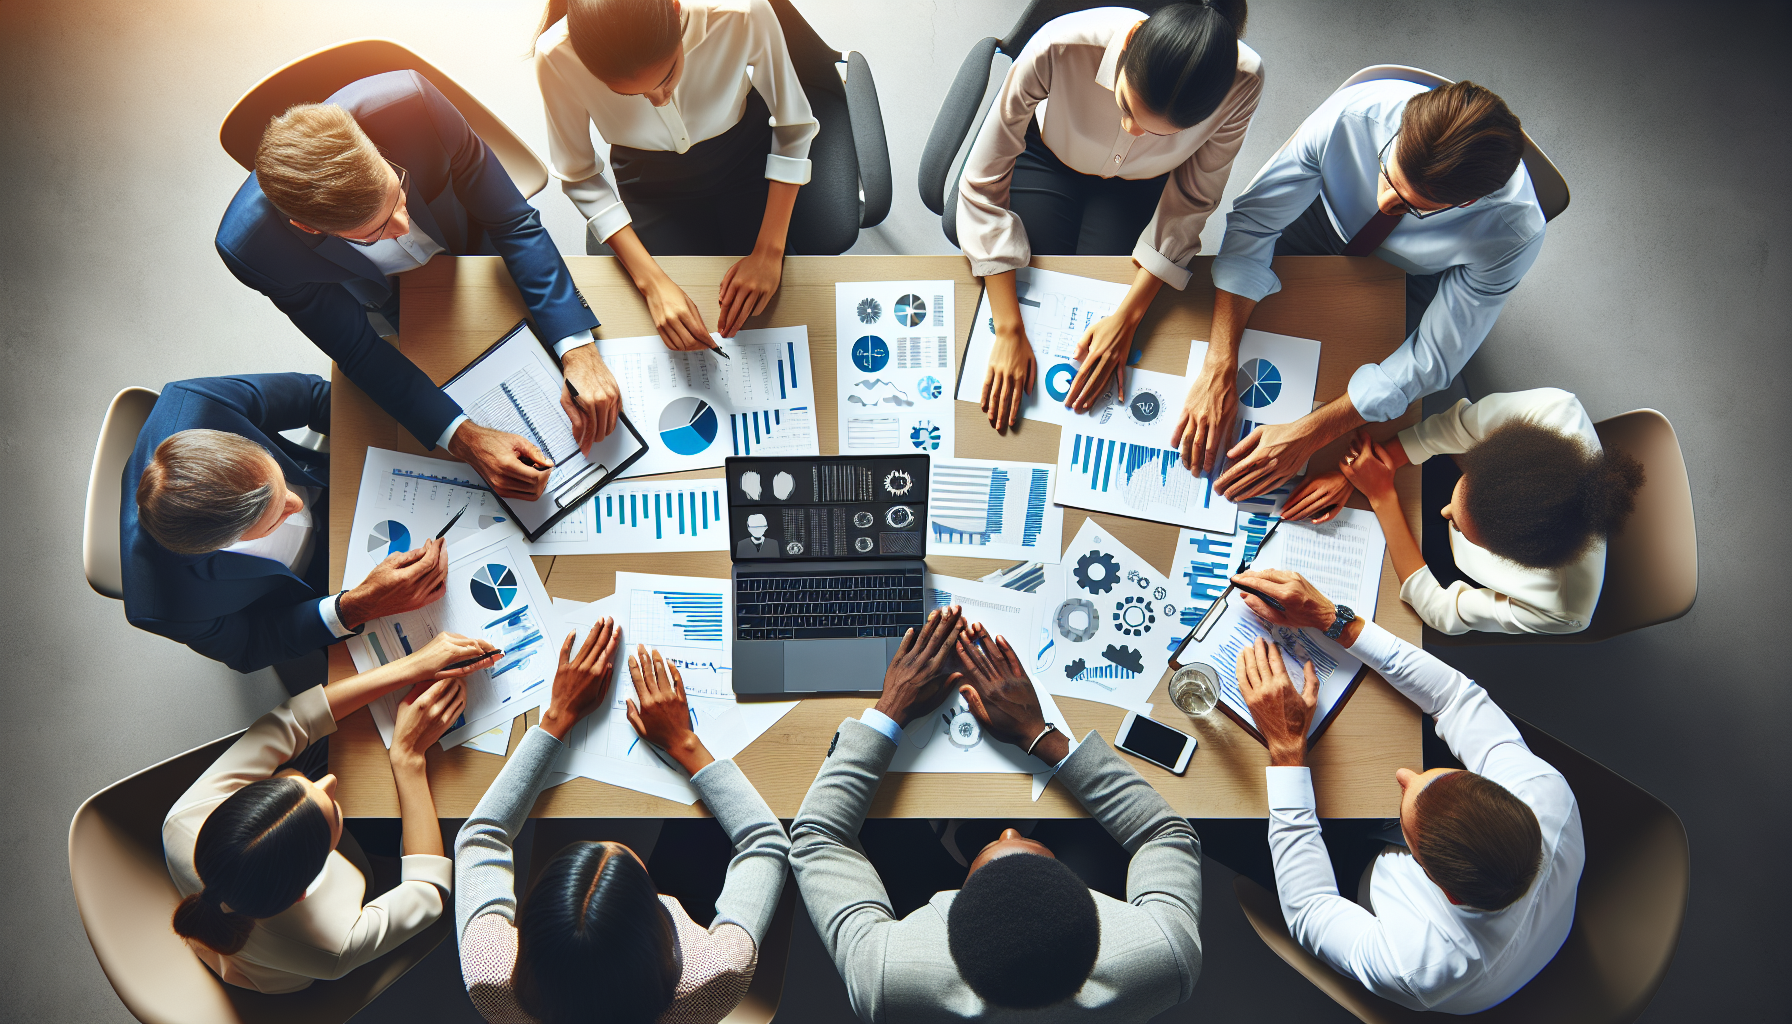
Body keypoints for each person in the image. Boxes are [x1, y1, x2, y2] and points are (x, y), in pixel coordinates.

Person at [217, 70, 622, 502]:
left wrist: (578, 347)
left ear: (372, 147)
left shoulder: (414, 104)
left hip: (474, 242)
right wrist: (464, 439)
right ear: (309, 228)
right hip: (392, 298)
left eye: (397, 193)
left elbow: (512, 222)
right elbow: (356, 349)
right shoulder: (253, 251)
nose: (403, 225)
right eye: (373, 232)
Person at [789, 607, 1204, 1021]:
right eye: (1038, 860)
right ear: (1089, 900)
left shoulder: (886, 976)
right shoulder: (1163, 954)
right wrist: (1040, 734)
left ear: (952, 906)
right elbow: (1165, 835)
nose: (1007, 831)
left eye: (989, 862)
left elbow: (816, 837)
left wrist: (891, 709)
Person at [1228, 567, 1582, 1014]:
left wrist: (1284, 750)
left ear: (1436, 883)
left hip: (1359, 880)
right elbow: (1454, 698)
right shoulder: (1546, 796)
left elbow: (1310, 908)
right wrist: (1334, 620)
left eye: (1408, 825)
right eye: (1441, 775)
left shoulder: (1414, 966)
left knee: (1230, 821)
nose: (1403, 774)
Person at [1174, 78, 1543, 500]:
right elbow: (1255, 222)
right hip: (1321, 215)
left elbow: (1431, 359)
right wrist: (1218, 362)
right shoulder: (1350, 116)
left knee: (1346, 391)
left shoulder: (1513, 232)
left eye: (1412, 206)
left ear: (1467, 204)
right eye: (1387, 174)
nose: (1384, 203)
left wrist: (1311, 434)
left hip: (1412, 273)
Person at [455, 622, 793, 1023]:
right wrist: (685, 743)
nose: (614, 845)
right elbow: (767, 842)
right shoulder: (715, 974)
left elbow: (481, 837)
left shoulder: (492, 973)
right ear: (658, 932)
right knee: (698, 830)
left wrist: (557, 717)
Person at [960, 1, 1262, 430]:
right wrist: (1008, 329)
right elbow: (981, 183)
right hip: (1050, 156)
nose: (1131, 130)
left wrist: (1127, 318)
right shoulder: (1059, 44)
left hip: (1140, 183)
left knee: (1104, 294)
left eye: (1158, 132)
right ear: (1131, 41)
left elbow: (1193, 199)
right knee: (1037, 289)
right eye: (1125, 105)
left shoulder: (1242, 81)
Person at [163, 631, 497, 992]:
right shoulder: (332, 948)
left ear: (230, 806)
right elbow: (429, 891)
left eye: (295, 785)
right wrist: (408, 757)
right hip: (301, 947)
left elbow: (291, 721)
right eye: (335, 814)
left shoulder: (184, 819)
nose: (330, 780)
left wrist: (413, 665)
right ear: (304, 892)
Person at [534, 0, 818, 348]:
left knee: (772, 314)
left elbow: (794, 125)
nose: (659, 100)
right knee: (678, 326)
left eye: (667, 76)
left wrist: (769, 253)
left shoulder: (740, 11)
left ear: (674, 9)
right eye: (628, 94)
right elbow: (579, 176)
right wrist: (651, 283)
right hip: (651, 185)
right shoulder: (556, 55)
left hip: (745, 159)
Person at [123, 374, 449, 674]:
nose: (298, 504)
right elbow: (249, 646)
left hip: (336, 478)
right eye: (276, 518)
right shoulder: (163, 605)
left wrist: (401, 443)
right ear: (223, 544)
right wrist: (357, 606)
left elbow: (312, 398)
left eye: (279, 481)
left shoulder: (199, 402)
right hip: (309, 590)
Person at [1284, 388, 1644, 634]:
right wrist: (1372, 465)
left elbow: (1441, 611)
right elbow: (1453, 428)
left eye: (1463, 525)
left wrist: (1382, 497)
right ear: (1493, 455)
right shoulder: (1550, 411)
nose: (1445, 512)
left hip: (1449, 569)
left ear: (1507, 557)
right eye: (1460, 498)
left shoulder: (1562, 611)